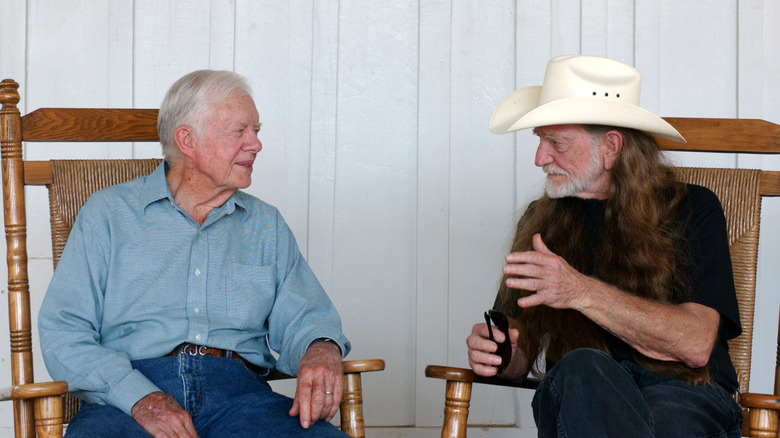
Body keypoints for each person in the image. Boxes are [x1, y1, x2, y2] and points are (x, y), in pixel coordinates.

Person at [38, 70, 352, 437]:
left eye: (257, 130)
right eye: (240, 131)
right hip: (128, 401)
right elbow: (64, 332)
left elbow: (307, 316)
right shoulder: (108, 214)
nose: (256, 144)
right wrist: (139, 397)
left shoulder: (266, 224)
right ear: (186, 140)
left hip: (243, 399)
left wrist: (320, 347)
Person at [466, 55, 743, 437]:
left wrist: (578, 290)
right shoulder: (542, 221)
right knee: (580, 369)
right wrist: (501, 351)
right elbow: (521, 353)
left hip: (685, 396)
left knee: (667, 419)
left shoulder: (693, 209)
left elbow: (695, 344)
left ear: (611, 148)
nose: (539, 158)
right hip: (582, 394)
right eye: (540, 141)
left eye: (556, 142)